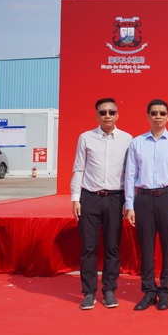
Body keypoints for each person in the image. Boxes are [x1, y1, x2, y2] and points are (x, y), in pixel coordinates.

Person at [125, 99, 168, 311]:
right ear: (148, 116)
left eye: (162, 113)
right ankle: (149, 292)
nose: (158, 116)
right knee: (146, 247)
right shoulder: (137, 143)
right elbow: (130, 175)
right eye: (154, 113)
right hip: (143, 199)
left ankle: (165, 292)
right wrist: (129, 205)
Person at [70, 98, 132, 310]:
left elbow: (130, 173)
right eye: (103, 112)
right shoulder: (86, 138)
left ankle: (109, 290)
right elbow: (79, 168)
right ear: (97, 115)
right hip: (90, 197)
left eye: (111, 112)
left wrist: (129, 201)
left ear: (117, 115)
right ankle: (89, 292)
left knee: (112, 247)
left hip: (116, 198)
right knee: (88, 247)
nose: (107, 116)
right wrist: (75, 198)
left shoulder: (127, 139)